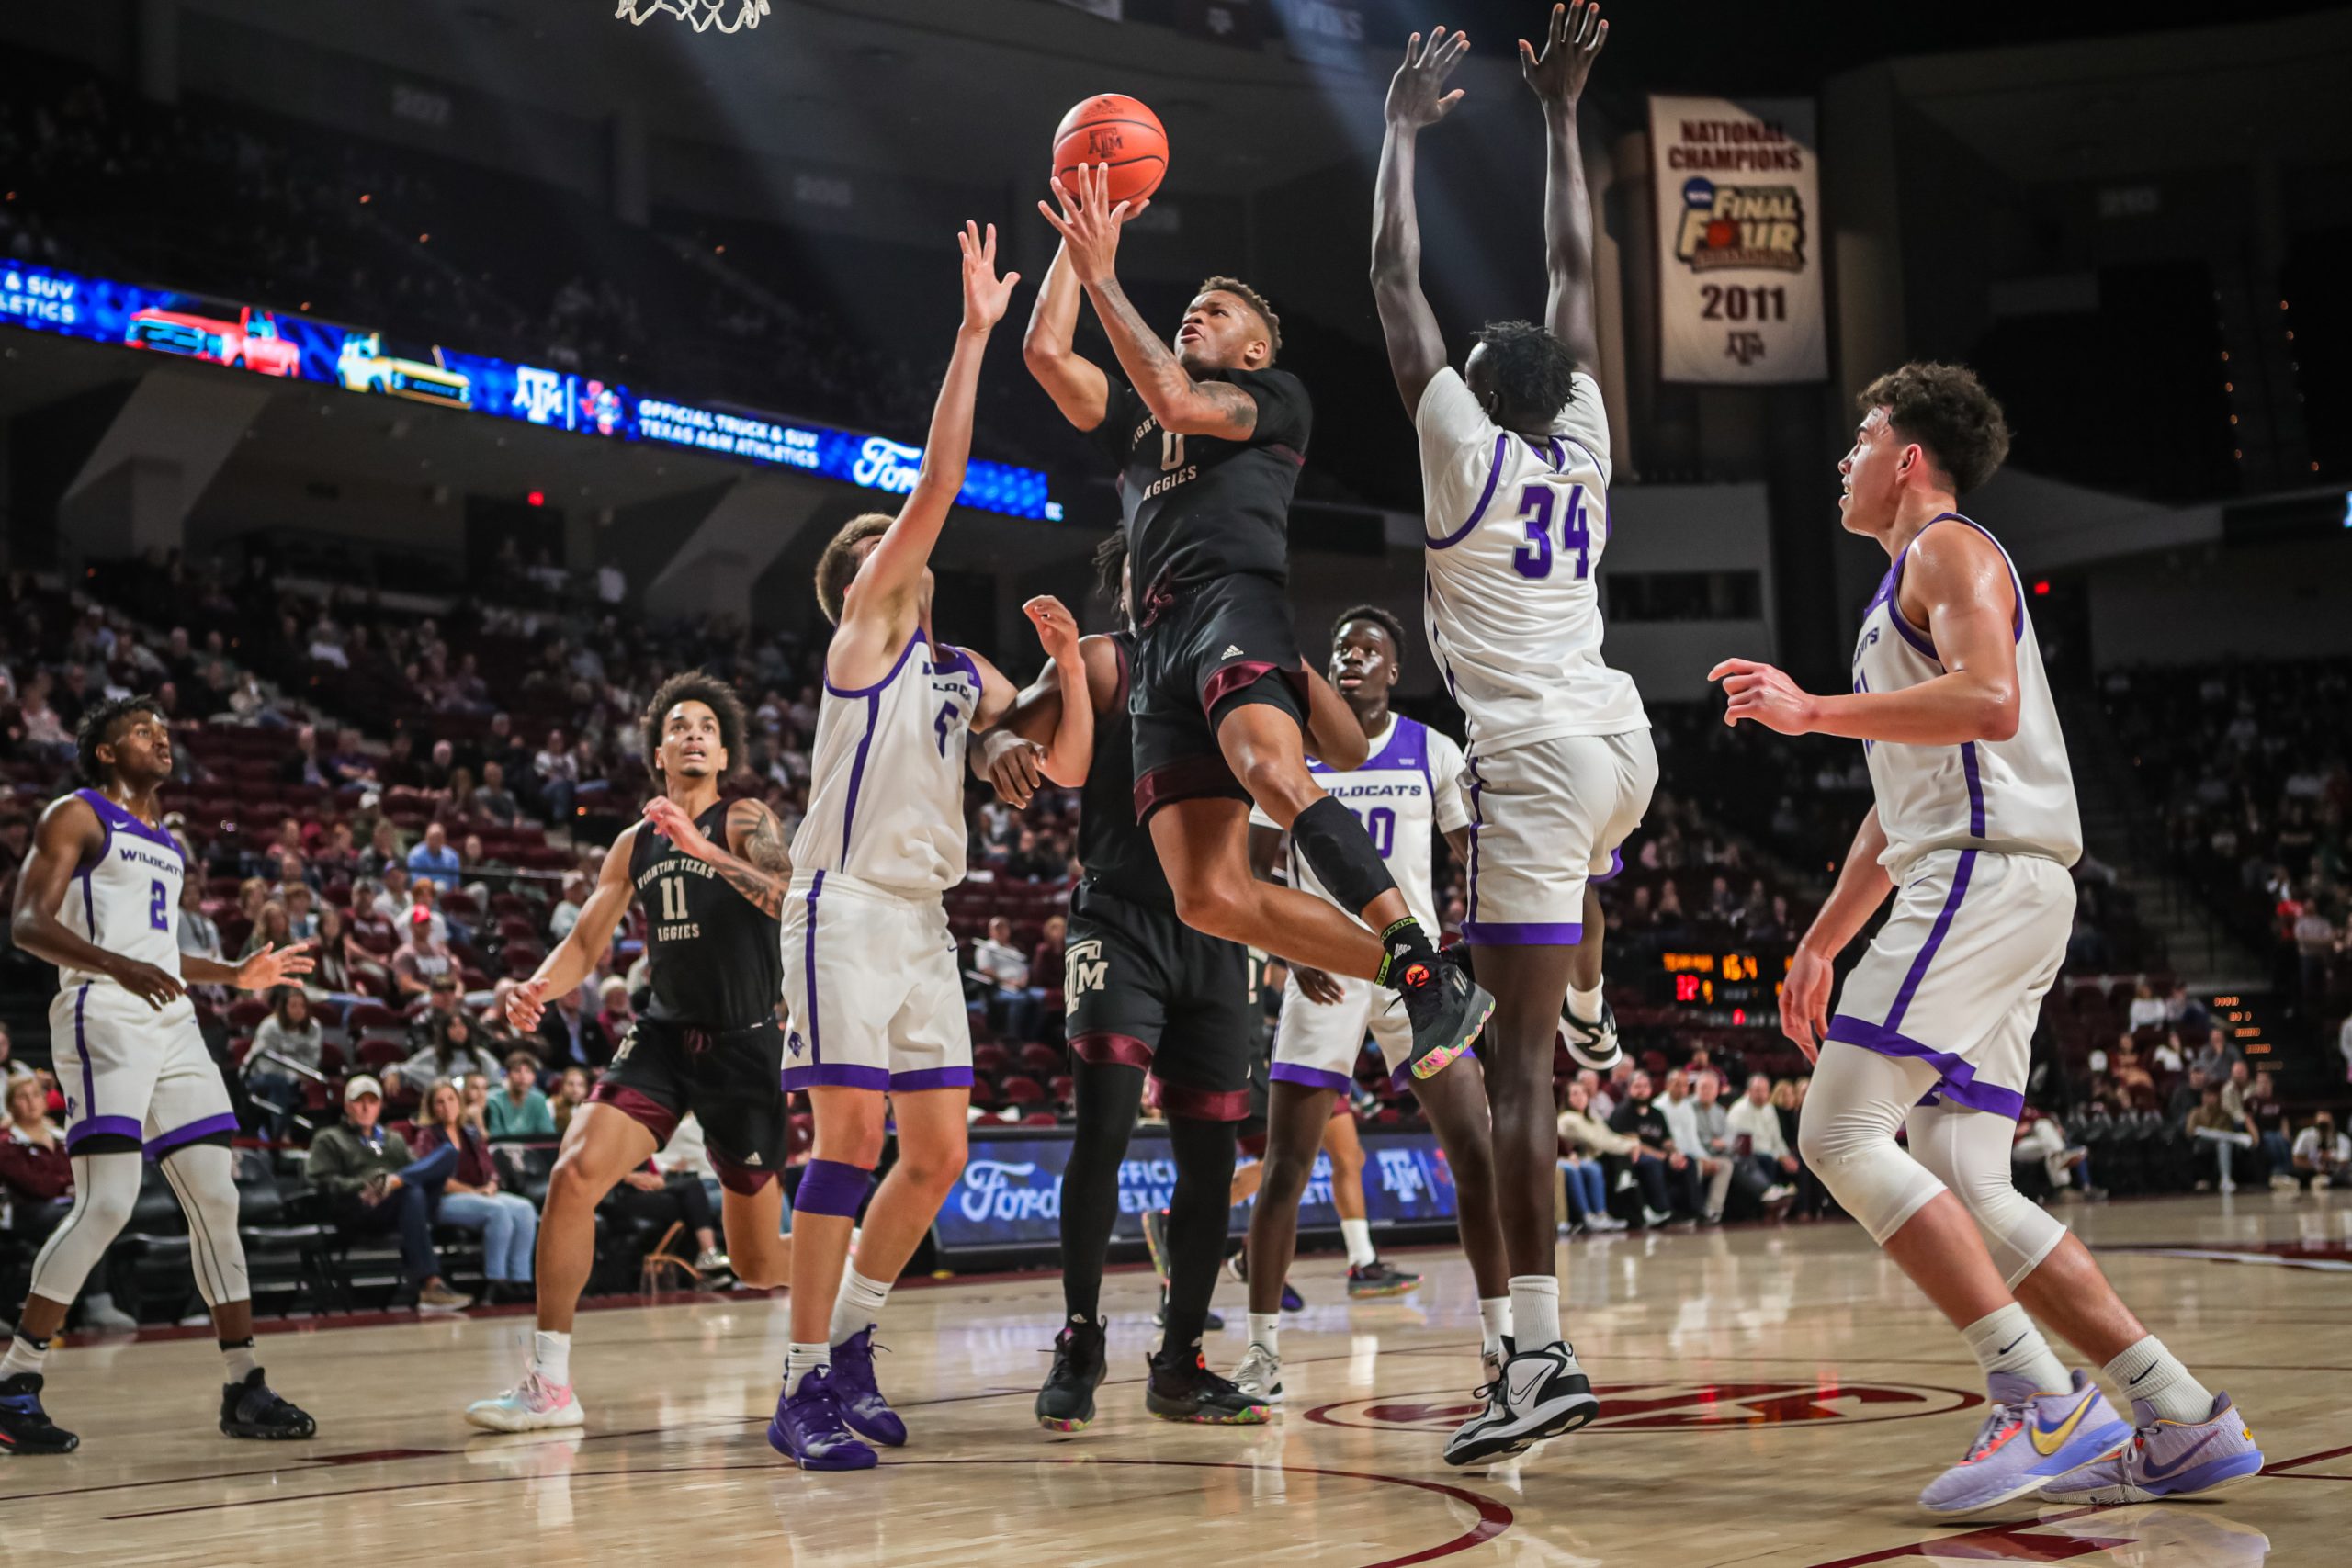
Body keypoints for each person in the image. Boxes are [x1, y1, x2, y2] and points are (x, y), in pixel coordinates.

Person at [1711, 359, 2261, 1513]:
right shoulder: (1902, 591)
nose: (1846, 460)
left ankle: (2036, 1397)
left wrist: (1809, 708)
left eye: (1862, 439)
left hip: (1980, 874)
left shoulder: (1946, 548)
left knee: (1840, 1130)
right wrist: (1818, 941)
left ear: (1908, 457)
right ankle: (2176, 1414)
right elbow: (1897, 795)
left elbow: (1988, 700)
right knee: (1968, 1178)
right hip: (1990, 878)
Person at [1027, 164, 1489, 1101]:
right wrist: (1074, 252)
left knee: (1273, 775)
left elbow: (1180, 402)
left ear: (1253, 352)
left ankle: (1417, 950)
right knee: (1210, 896)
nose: (1197, 315)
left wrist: (1109, 278)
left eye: (1217, 312)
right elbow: (1044, 354)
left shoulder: (1270, 398)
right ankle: (1420, 983)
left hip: (1233, 606)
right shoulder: (1133, 426)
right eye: (1191, 307)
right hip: (1157, 647)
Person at [1368, 7, 1655, 1466]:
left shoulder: (1464, 449)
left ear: (1483, 396)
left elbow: (1393, 277)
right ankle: (1598, 991)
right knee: (1555, 950)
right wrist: (1560, 113)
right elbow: (1576, 268)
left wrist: (1404, 132)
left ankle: (1536, 1354)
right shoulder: (1585, 436)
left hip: (1539, 761)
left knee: (1517, 1071)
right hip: (1619, 743)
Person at [772, 225, 1057, 1472]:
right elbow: (937, 487)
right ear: (871, 581)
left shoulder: (955, 668)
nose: (914, 547)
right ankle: (795, 1382)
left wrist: (1071, 675)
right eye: (892, 547)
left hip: (928, 921)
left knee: (939, 1151)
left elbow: (1040, 735)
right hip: (841, 907)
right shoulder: (865, 639)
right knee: (848, 1138)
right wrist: (974, 335)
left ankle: (852, 1346)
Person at [975, 532, 1274, 1431]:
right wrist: (992, 753)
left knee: (1211, 1157)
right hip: (1119, 920)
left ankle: (1179, 1360)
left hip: (1221, 932)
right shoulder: (1111, 659)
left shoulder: (1242, 676)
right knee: (1102, 1126)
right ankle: (1080, 1336)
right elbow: (1003, 731)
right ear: (1137, 583)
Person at [467, 671, 795, 1434]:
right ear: (658, 751)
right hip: (663, 1039)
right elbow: (587, 939)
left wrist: (704, 848)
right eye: (680, 724)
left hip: (745, 1049)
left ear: (722, 751)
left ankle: (846, 1260)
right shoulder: (633, 842)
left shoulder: (745, 817)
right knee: (573, 1174)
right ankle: (550, 1385)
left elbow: (783, 896)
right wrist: (539, 988)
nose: (694, 733)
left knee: (754, 1266)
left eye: (707, 726)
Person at [0, 695, 318, 1453]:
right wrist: (117, 964)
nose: (161, 739)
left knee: (217, 1193)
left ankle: (244, 1383)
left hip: (170, 1016)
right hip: (100, 1008)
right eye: (143, 731)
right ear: (107, 751)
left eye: (166, 730)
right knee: (107, 1202)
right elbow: (26, 924)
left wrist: (236, 975)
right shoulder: (74, 814)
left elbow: (163, 952)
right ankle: (15, 1380)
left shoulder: (167, 841)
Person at [1230, 604, 1512, 1409]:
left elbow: (1476, 855)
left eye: (1369, 649)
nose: (1351, 657)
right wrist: (1288, 949)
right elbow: (1252, 872)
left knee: (1474, 1150)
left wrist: (1478, 943)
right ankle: (1261, 1353)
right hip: (1326, 971)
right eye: (1340, 648)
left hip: (1412, 978)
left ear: (1396, 669)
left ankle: (1500, 1342)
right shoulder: (1285, 749)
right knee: (1287, 1165)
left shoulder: (1433, 749)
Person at [307, 1075, 470, 1309]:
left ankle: (394, 1181)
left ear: (380, 1106)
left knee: (447, 1153)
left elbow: (418, 1169)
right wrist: (365, 1185)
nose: (365, 1108)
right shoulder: (330, 1138)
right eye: (358, 1101)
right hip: (360, 1207)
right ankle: (430, 1284)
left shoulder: (393, 1139)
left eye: (372, 1102)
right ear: (346, 1106)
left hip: (401, 1204)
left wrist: (395, 1182)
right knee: (412, 1191)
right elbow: (319, 1181)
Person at [411, 1078, 537, 1303]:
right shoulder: (427, 1137)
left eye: (450, 1099)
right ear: (431, 1108)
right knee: (497, 1211)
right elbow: (435, 1177)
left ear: (459, 1102)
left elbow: (490, 1168)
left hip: (480, 1193)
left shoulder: (470, 1133)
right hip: (445, 1199)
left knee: (525, 1208)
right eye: (439, 1102)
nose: (446, 1106)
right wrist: (473, 1192)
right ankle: (495, 1281)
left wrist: (491, 1185)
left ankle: (521, 1280)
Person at [243, 987, 323, 1142]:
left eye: (302, 1006)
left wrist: (298, 1074)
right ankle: (279, 1137)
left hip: (297, 1077)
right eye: (293, 1005)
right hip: (255, 1076)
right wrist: (294, 1073)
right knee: (280, 1083)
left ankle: (314, 1138)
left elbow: (313, 1060)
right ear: (283, 1007)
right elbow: (265, 1064)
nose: (298, 1010)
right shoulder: (270, 1026)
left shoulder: (313, 1027)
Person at [486, 1049, 557, 1139]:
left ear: (534, 1077)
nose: (523, 1076)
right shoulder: (493, 1100)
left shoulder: (539, 1099)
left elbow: (548, 1135)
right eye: (517, 1071)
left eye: (528, 1071)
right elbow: (495, 1137)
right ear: (507, 1075)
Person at [2290, 1111, 2347, 1190]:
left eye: (2326, 1124)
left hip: (2334, 1174)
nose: (2323, 1128)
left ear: (2333, 1124)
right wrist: (2316, 1167)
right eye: (2320, 1125)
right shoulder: (2306, 1135)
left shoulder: (2342, 1139)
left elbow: (2344, 1162)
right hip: (2310, 1171)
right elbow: (2296, 1159)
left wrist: (2329, 1158)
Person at [406, 821, 462, 892]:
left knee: (478, 889)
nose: (435, 841)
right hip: (424, 893)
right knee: (440, 887)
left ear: (444, 839)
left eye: (438, 838)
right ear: (426, 838)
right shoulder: (416, 855)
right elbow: (416, 882)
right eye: (432, 838)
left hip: (448, 895)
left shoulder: (452, 856)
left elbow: (455, 884)